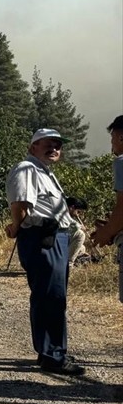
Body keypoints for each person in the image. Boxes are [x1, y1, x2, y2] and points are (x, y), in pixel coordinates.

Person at [5, 128, 84, 376]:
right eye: (47, 144)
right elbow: (20, 204)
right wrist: (17, 228)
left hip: (54, 237)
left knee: (53, 295)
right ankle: (52, 355)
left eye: (58, 145)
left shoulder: (44, 172)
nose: (54, 148)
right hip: (42, 237)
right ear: (33, 147)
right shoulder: (27, 168)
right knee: (50, 296)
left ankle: (52, 351)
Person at [90, 114, 123, 303]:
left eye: (112, 138)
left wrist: (107, 233)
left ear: (121, 137)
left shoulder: (121, 162)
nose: (112, 145)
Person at [65, 196, 95, 267]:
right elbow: (68, 223)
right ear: (71, 207)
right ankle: (69, 264)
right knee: (80, 234)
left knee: (82, 248)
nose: (78, 214)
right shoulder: (61, 210)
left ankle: (79, 259)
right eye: (78, 211)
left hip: (63, 240)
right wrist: (80, 226)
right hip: (53, 239)